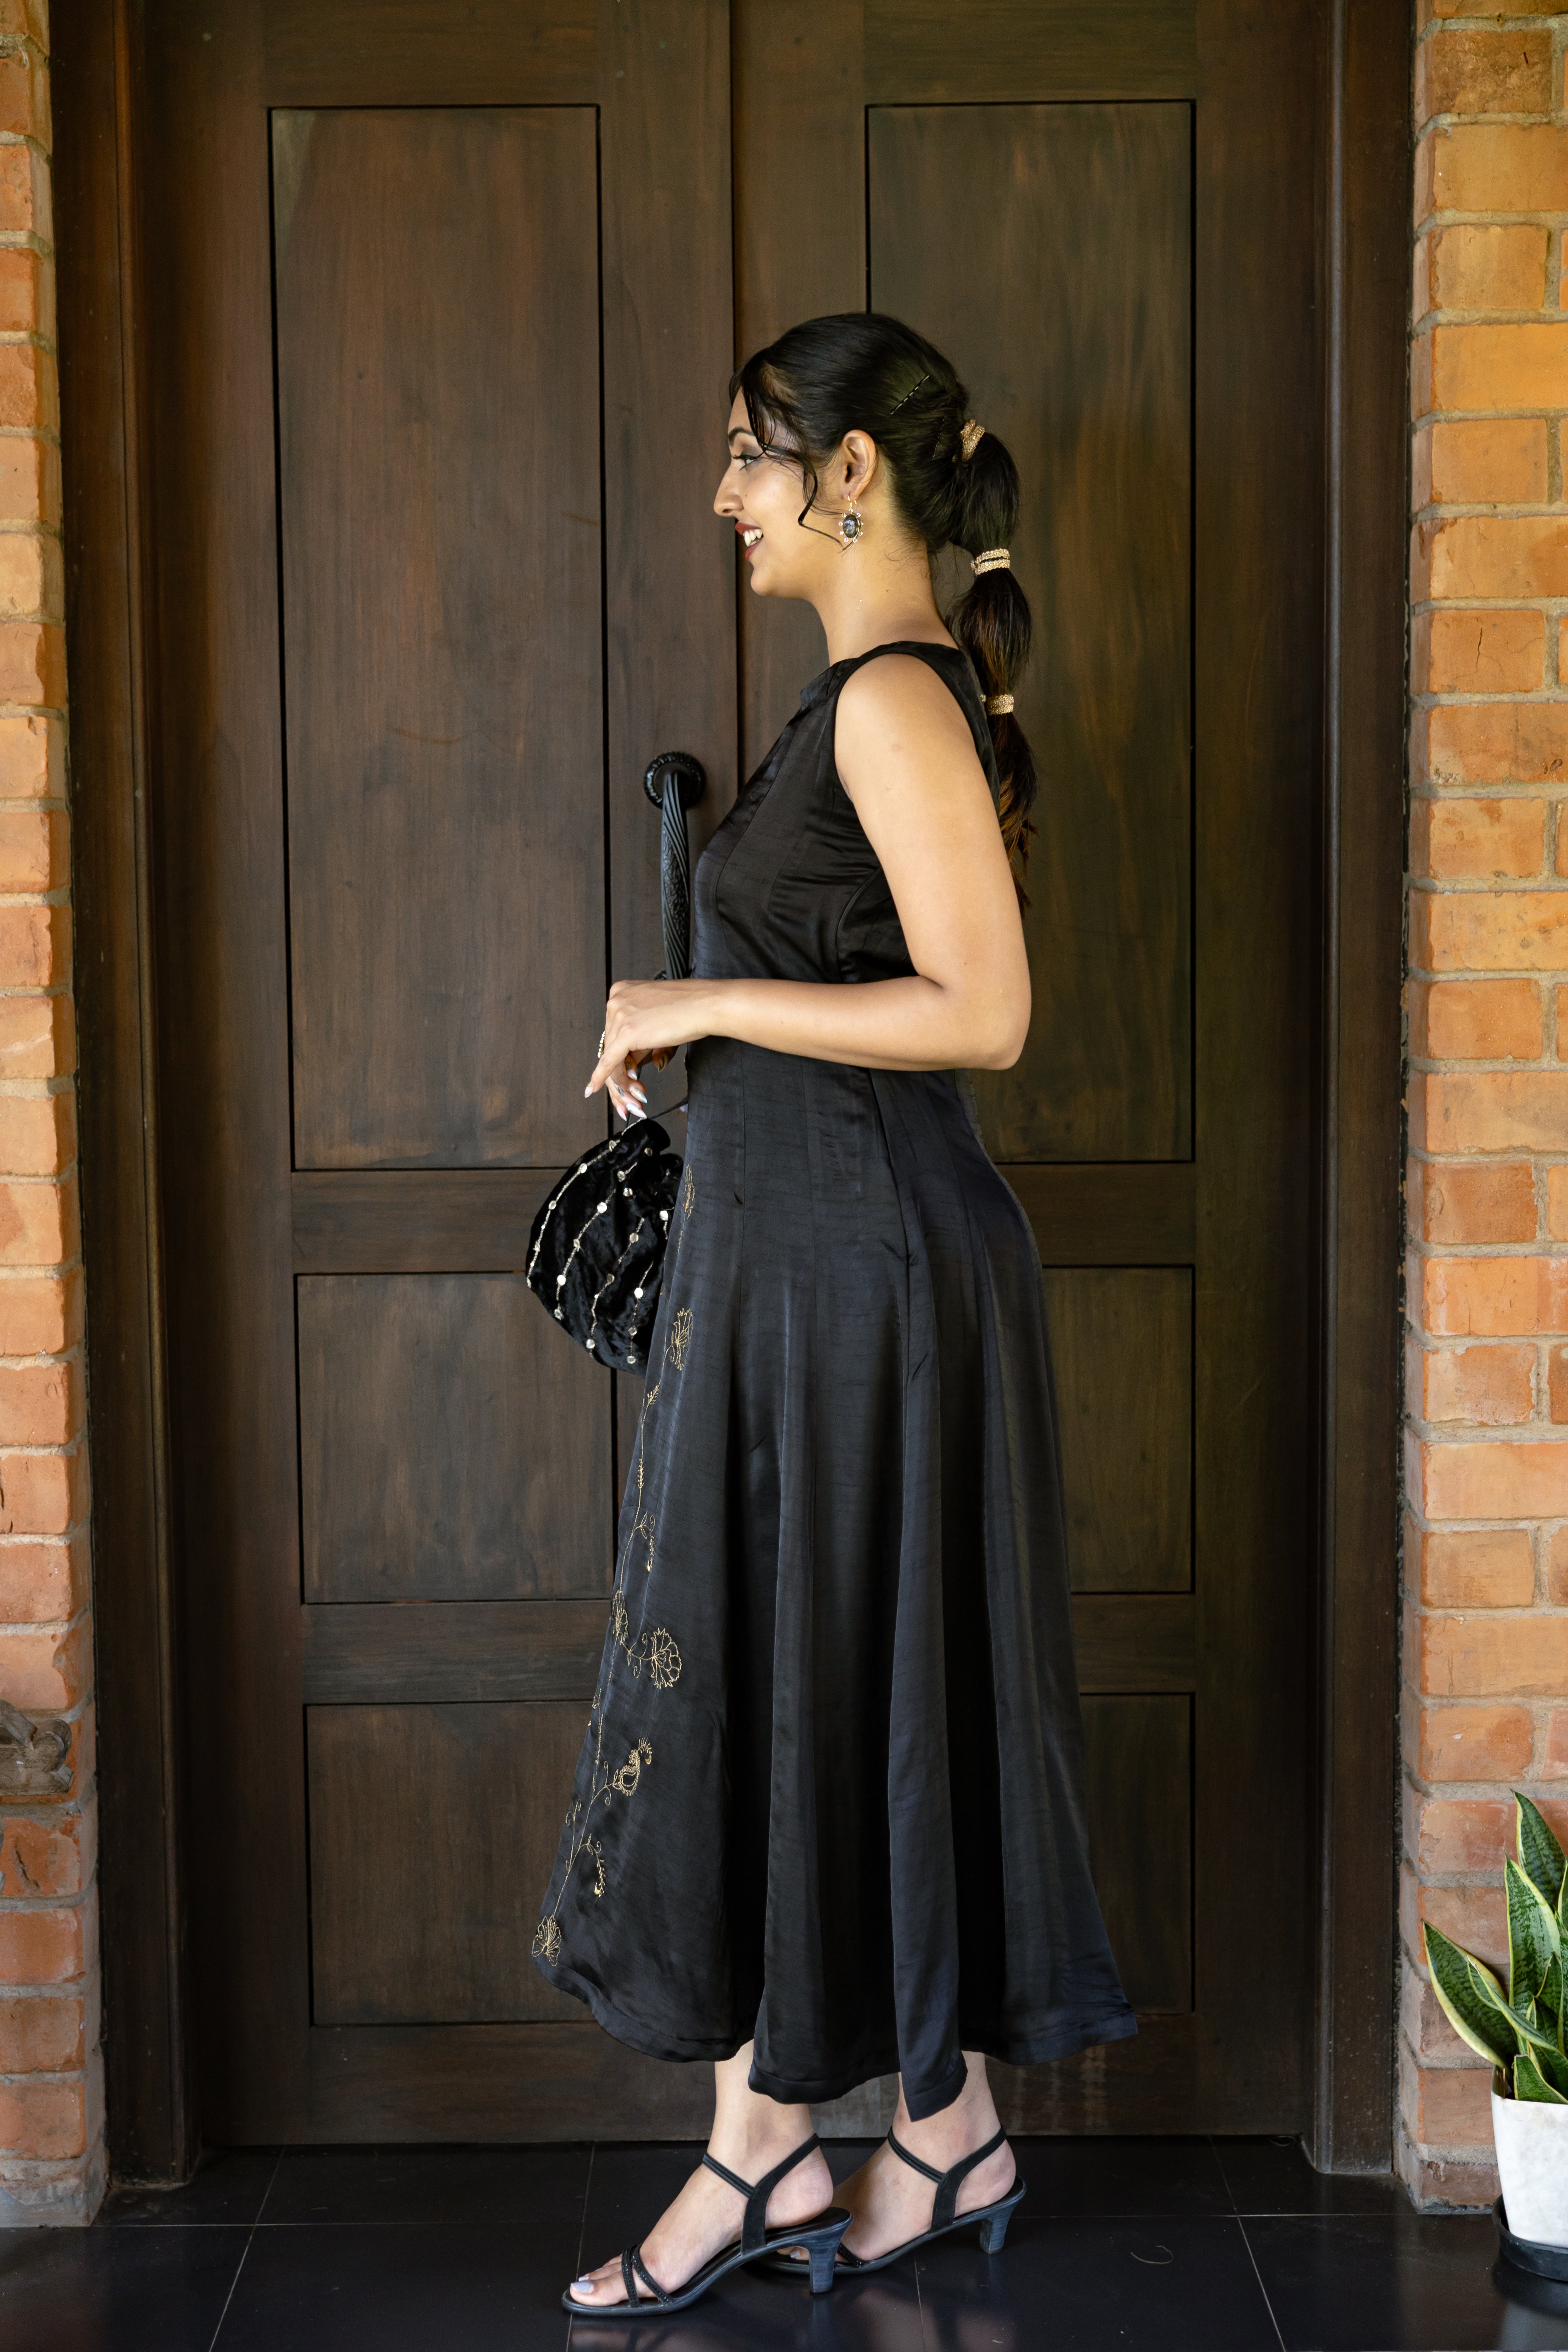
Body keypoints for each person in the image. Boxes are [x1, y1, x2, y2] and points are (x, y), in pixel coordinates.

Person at [535, 312, 1136, 2317]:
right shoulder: (866, 700)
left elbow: (986, 1011)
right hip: (816, 1279)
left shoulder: (890, 698)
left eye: (750, 453)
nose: (726, 494)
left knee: (809, 1688)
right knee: (822, 1689)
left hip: (862, 1285)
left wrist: (696, 997)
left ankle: (772, 2150)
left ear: (848, 472)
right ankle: (918, 2133)